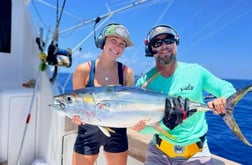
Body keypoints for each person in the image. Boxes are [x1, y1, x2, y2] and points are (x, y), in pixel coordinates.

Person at [135, 24, 236, 165]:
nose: (164, 46)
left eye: (169, 40)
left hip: (196, 154)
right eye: (157, 43)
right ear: (150, 49)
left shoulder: (196, 72)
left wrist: (223, 100)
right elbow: (143, 128)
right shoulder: (143, 83)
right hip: (158, 152)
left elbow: (225, 87)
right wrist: (160, 125)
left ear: (176, 43)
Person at [71, 23, 134, 165]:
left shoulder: (127, 73)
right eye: (113, 40)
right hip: (88, 132)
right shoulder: (83, 70)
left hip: (117, 132)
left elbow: (129, 106)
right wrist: (75, 116)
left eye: (122, 44)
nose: (117, 47)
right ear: (102, 41)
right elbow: (77, 105)